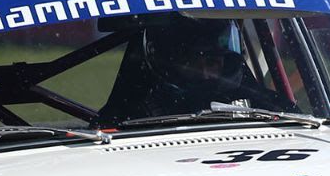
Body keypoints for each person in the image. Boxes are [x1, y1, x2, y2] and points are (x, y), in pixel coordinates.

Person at [98, 16, 295, 124]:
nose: (206, 74)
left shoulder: (262, 103)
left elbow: (304, 121)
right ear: (167, 63)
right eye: (193, 63)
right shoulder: (132, 115)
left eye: (212, 62)